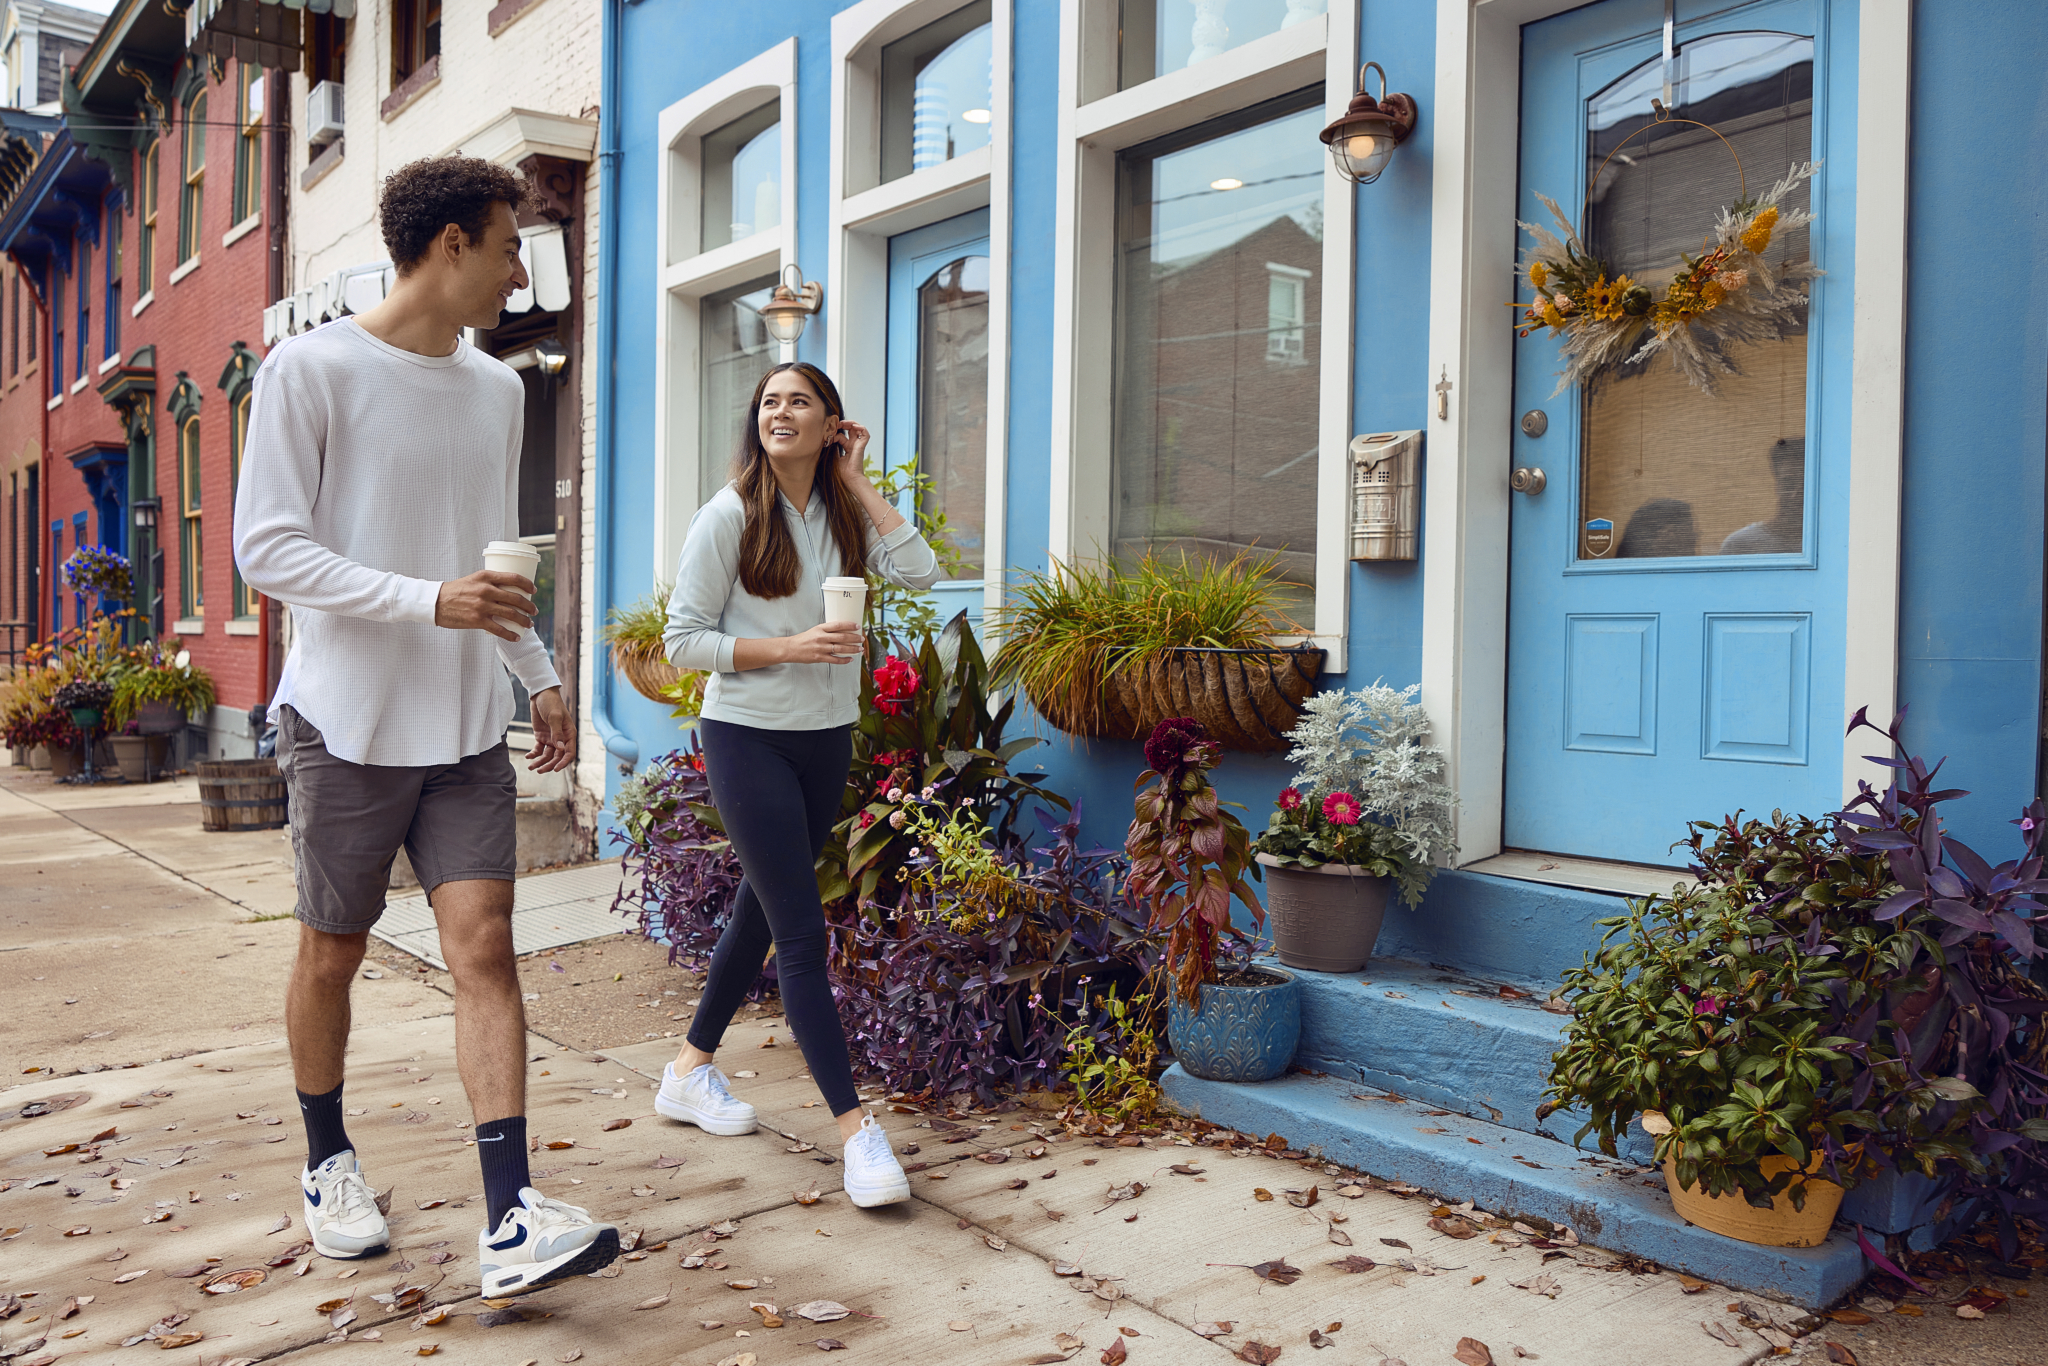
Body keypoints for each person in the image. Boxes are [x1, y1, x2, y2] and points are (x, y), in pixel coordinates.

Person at [234, 156, 619, 1294]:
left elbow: (490, 551)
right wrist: (426, 598)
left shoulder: (497, 389)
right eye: (508, 245)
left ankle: (510, 1217)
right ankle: (327, 1160)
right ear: (450, 243)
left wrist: (535, 671)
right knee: (332, 951)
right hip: (344, 721)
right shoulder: (310, 369)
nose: (517, 269)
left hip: (460, 729)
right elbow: (268, 548)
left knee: (486, 947)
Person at [658, 361, 941, 1206]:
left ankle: (687, 1071)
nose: (782, 411)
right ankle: (858, 1134)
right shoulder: (728, 516)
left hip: (826, 738)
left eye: (801, 401)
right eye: (770, 401)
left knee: (762, 901)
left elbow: (921, 572)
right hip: (747, 736)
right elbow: (681, 641)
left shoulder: (845, 510)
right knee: (802, 932)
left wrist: (855, 479)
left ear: (831, 425)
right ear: (759, 422)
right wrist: (788, 648)